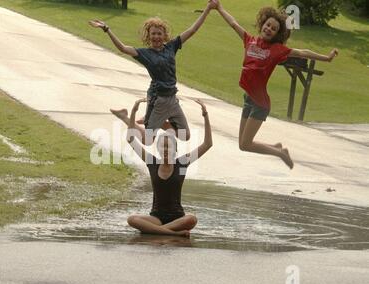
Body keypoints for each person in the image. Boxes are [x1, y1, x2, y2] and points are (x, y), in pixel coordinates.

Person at [212, 2, 338, 169]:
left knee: (247, 144)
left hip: (260, 103)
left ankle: (279, 153)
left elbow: (302, 52)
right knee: (243, 145)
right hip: (249, 99)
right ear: (262, 24)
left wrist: (326, 58)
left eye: (274, 28)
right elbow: (233, 23)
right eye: (268, 25)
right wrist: (219, 8)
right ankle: (277, 148)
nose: (269, 29)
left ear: (277, 34)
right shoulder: (249, 40)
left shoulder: (277, 50)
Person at [90, 1, 218, 145]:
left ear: (164, 35)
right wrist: (107, 29)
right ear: (148, 36)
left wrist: (208, 9)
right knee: (148, 140)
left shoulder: (171, 47)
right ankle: (125, 117)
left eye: (159, 33)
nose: (156, 36)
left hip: (172, 98)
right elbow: (123, 48)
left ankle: (156, 121)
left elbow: (192, 30)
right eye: (153, 34)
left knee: (185, 136)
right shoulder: (145, 54)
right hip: (157, 99)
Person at [123, 98, 213, 237]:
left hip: (178, 218)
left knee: (192, 219)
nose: (165, 149)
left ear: (175, 149)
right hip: (156, 218)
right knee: (132, 219)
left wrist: (205, 115)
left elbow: (207, 144)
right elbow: (130, 139)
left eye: (169, 146)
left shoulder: (182, 162)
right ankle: (172, 233)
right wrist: (134, 111)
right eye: (162, 146)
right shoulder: (152, 163)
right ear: (158, 149)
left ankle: (157, 231)